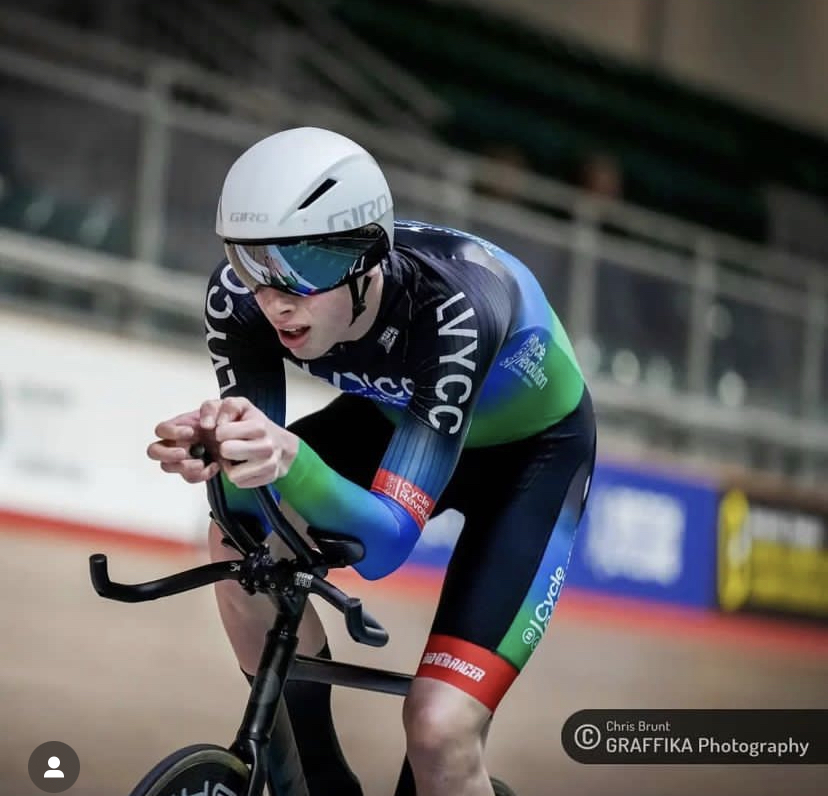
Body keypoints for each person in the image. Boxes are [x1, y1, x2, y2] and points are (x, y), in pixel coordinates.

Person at [147, 126, 597, 796]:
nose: (274, 298)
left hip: (530, 460)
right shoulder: (237, 300)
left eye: (302, 267)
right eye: (250, 260)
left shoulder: (453, 310)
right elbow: (251, 509)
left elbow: (383, 549)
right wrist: (223, 448)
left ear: (365, 259)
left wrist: (289, 457)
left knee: (439, 732)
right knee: (235, 543)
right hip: (400, 417)